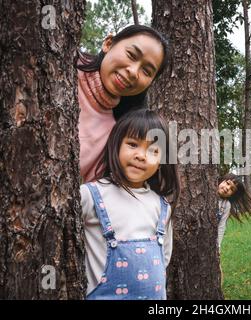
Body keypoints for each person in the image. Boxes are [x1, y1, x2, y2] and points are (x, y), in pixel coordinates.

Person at [80, 109, 180, 300]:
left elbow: (163, 257)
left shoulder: (162, 206)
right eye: (133, 144)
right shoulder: (91, 195)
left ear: (161, 162)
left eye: (153, 150)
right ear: (116, 145)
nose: (141, 155)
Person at [77, 24, 170, 182]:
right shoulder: (62, 63)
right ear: (108, 43)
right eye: (132, 55)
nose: (133, 72)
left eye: (146, 71)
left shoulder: (115, 134)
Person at [217, 173, 251, 249]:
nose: (227, 188)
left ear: (231, 195)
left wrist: (218, 246)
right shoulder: (207, 193)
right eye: (227, 183)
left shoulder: (226, 205)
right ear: (222, 181)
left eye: (231, 189)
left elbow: (221, 226)